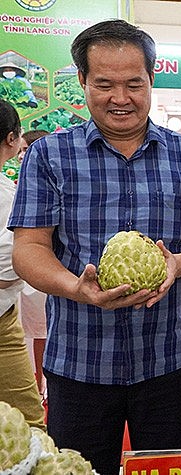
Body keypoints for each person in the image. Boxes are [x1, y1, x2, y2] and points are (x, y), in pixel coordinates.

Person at [9, 20, 181, 475]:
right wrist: (75, 286)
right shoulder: (50, 155)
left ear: (151, 81)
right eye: (104, 84)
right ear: (83, 80)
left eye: (134, 84)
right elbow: (28, 248)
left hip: (168, 362)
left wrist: (178, 264)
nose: (120, 98)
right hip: (80, 365)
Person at [0, 99, 45, 429]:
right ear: (12, 139)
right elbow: (12, 263)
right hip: (3, 318)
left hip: (7, 314)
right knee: (29, 424)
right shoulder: (8, 196)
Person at [15, 128, 51, 396]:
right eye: (22, 150)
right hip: (28, 276)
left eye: (27, 149)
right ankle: (39, 383)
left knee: (44, 328)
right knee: (36, 331)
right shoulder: (17, 186)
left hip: (48, 274)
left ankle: (44, 381)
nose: (22, 155)